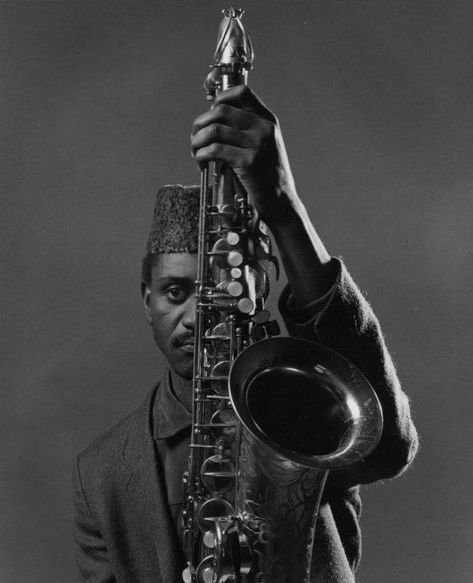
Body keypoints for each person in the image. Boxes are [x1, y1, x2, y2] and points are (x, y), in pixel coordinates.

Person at [72, 86, 418, 583]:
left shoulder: (300, 408)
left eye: (211, 290)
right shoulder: (99, 473)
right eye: (175, 292)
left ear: (250, 292)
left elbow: (388, 448)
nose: (194, 315)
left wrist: (282, 206)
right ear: (145, 300)